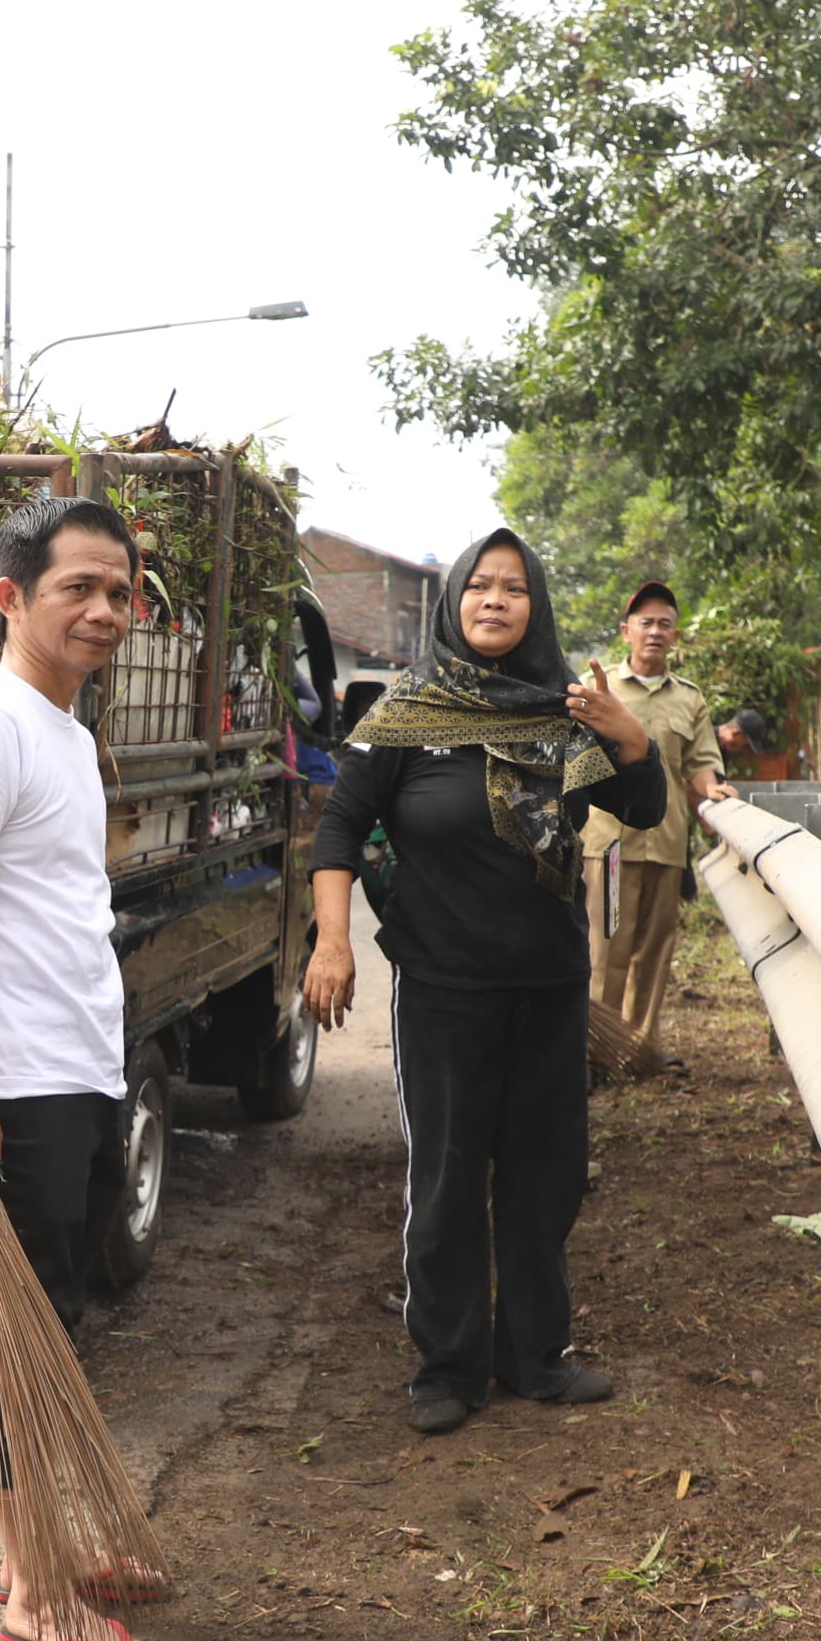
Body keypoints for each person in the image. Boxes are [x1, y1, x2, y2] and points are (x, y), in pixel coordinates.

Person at [302, 530, 666, 1436]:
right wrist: (333, 944)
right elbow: (339, 832)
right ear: (453, 604)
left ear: (534, 605)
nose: (494, 601)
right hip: (441, 987)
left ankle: (535, 1357)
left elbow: (645, 808)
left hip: (547, 987)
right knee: (449, 1178)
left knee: (547, 1178)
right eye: (479, 588)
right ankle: (447, 1366)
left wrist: (627, 733)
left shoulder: (565, 712)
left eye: (512, 589)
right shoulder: (405, 714)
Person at [0, 491, 172, 1641]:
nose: (106, 609)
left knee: (54, 1308)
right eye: (79, 586)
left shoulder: (65, 730)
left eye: (119, 590)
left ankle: (43, 1548)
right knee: (7, 1323)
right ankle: (34, 1594)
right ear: (11, 595)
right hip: (10, 1080)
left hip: (72, 1066)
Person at [580, 581, 731, 1053]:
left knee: (655, 950)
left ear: (676, 637)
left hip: (666, 841)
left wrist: (715, 790)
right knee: (606, 946)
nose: (655, 632)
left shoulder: (688, 698)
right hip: (607, 843)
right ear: (626, 631)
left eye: (665, 623)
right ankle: (597, 1052)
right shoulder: (595, 688)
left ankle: (638, 1050)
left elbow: (701, 763)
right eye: (645, 623)